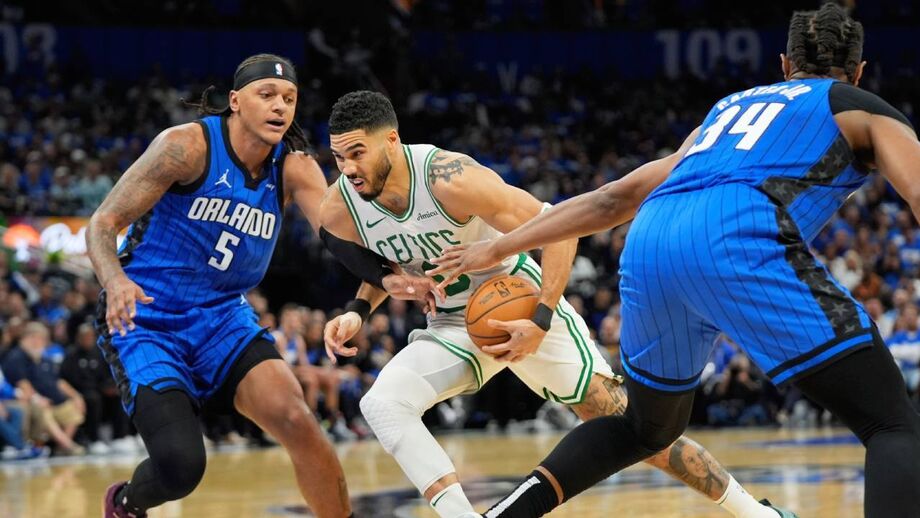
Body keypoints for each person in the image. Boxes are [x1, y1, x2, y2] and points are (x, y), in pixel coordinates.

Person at [430, 4, 920, 517]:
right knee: (890, 424)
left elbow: (612, 200)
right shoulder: (863, 106)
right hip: (735, 232)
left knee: (646, 428)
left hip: (651, 240)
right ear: (860, 71)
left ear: (784, 64)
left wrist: (498, 246)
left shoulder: (728, 110)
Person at [319, 90, 789, 518]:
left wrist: (542, 319)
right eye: (339, 157)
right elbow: (384, 266)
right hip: (453, 325)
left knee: (632, 425)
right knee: (383, 403)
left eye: (357, 153)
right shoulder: (345, 204)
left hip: (521, 301)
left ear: (392, 141)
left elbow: (558, 227)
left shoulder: (449, 178)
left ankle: (756, 512)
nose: (348, 167)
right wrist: (359, 309)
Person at [86, 53, 432, 518]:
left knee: (299, 421)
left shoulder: (294, 168)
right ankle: (125, 504)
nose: (280, 107)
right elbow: (103, 222)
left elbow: (338, 235)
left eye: (289, 98)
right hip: (146, 318)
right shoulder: (185, 147)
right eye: (266, 95)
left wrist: (386, 275)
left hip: (223, 319)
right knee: (181, 466)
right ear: (235, 102)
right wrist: (115, 279)